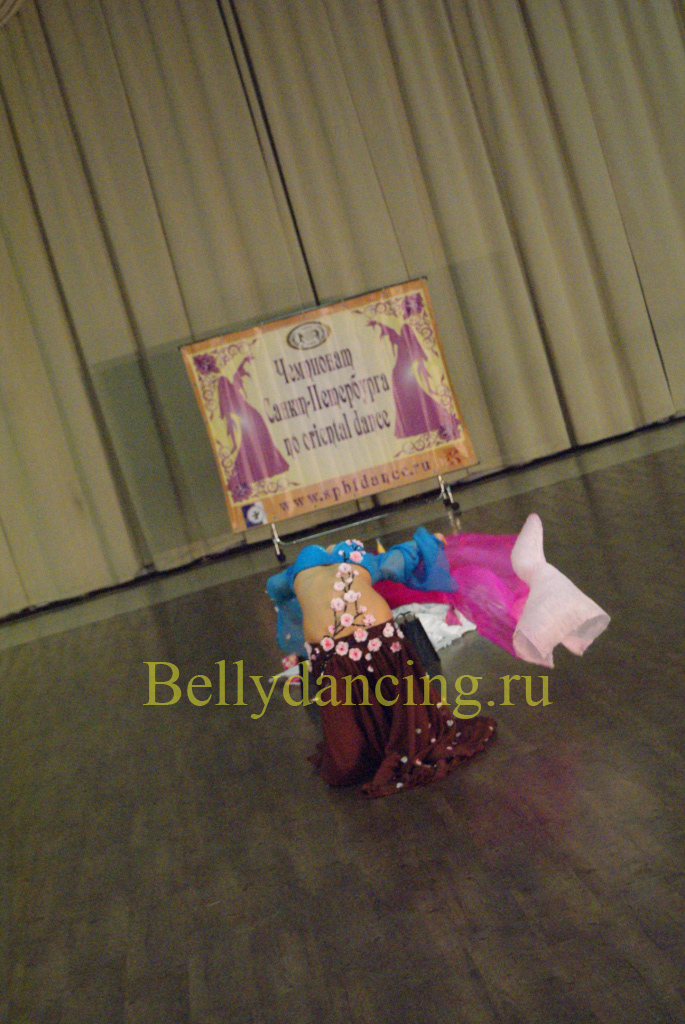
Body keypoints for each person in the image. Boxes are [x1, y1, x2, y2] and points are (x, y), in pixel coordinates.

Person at [267, 529, 497, 798]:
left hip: (342, 649)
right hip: (375, 638)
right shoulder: (368, 563)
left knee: (350, 749)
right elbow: (406, 554)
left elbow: (274, 588)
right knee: (394, 697)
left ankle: (374, 740)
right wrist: (433, 541)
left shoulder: (295, 574)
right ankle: (394, 736)